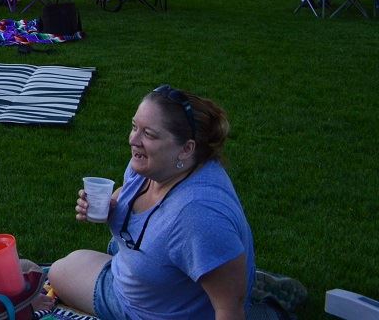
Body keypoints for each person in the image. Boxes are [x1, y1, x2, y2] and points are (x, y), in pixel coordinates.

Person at [49, 86, 255, 320]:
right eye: (134, 127)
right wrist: (110, 204)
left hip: (153, 311)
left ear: (186, 149)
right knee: (69, 263)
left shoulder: (198, 215)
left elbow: (230, 308)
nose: (133, 140)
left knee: (58, 272)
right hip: (158, 284)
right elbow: (128, 192)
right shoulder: (153, 165)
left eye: (149, 134)